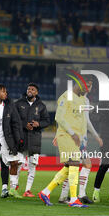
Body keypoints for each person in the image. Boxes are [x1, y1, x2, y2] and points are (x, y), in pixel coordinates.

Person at [38, 77, 92, 208]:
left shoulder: (81, 99)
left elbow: (82, 121)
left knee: (69, 167)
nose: (88, 89)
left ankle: (46, 192)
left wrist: (83, 137)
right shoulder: (66, 96)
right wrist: (71, 134)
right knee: (74, 163)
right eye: (86, 85)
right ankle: (73, 199)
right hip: (68, 135)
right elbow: (59, 117)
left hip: (76, 137)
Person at [57, 82, 103, 204]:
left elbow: (85, 121)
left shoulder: (85, 100)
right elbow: (63, 117)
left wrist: (94, 136)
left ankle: (63, 196)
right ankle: (80, 194)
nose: (88, 86)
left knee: (70, 166)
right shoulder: (72, 97)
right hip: (74, 137)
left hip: (80, 137)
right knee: (83, 164)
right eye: (86, 84)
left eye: (90, 84)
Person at [15, 83, 50, 197]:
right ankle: (14, 186)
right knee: (18, 164)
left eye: (33, 89)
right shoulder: (19, 103)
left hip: (34, 139)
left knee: (32, 165)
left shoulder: (41, 106)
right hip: (21, 137)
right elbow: (14, 119)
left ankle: (27, 190)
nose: (30, 90)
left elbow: (47, 121)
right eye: (28, 89)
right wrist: (24, 125)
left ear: (36, 92)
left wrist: (38, 124)